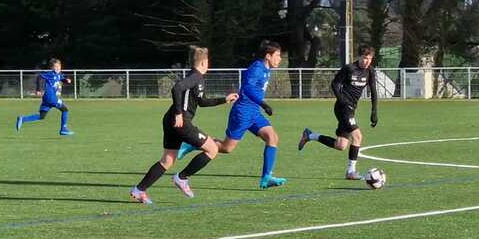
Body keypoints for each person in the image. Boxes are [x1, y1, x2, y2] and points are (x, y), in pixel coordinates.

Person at [130, 47, 238, 204]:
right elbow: (177, 88)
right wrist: (179, 113)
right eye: (208, 61)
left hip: (170, 120)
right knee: (213, 149)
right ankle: (182, 178)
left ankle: (139, 190)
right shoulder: (195, 76)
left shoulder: (197, 78)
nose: (209, 64)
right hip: (180, 122)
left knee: (167, 160)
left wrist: (224, 99)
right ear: (203, 62)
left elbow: (202, 101)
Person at [177, 40, 286, 189]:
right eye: (278, 55)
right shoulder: (257, 69)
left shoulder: (266, 69)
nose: (280, 58)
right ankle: (193, 144)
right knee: (227, 148)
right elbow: (246, 89)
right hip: (242, 113)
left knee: (272, 137)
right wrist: (263, 103)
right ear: (268, 56)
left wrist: (259, 105)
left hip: (254, 112)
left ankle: (266, 177)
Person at [297, 45, 379, 179]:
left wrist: (374, 112)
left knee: (341, 145)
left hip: (352, 108)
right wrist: (341, 99)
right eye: (365, 58)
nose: (367, 61)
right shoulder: (349, 68)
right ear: (358, 56)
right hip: (342, 108)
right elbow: (335, 84)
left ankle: (310, 135)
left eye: (370, 59)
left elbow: (374, 92)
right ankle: (350, 172)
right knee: (358, 136)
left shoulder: (370, 71)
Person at [16, 58, 74, 136]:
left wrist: (67, 80)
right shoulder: (50, 74)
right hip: (51, 97)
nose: (58, 68)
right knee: (65, 110)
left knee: (41, 116)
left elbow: (63, 79)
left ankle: (23, 119)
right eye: (55, 67)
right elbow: (40, 77)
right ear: (51, 68)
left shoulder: (59, 74)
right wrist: (38, 89)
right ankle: (63, 129)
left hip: (47, 98)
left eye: (59, 66)